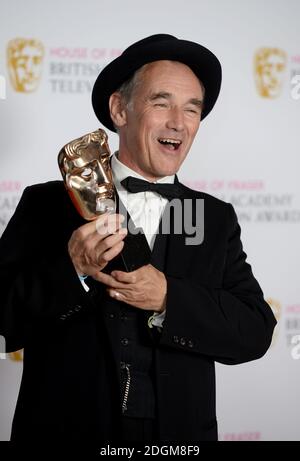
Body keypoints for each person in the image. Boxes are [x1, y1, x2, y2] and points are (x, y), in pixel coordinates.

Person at [0, 34, 276, 443]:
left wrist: (168, 296)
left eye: (191, 109)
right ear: (119, 109)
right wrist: (71, 270)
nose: (178, 122)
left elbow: (254, 330)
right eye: (161, 103)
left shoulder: (215, 219)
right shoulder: (45, 204)